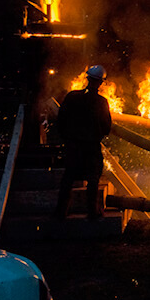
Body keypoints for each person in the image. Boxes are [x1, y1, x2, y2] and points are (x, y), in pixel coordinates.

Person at [55, 65, 112, 220]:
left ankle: (61, 212)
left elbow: (61, 120)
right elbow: (107, 127)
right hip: (91, 146)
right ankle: (92, 212)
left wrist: (67, 138)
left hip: (73, 146)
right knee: (93, 179)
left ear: (87, 79)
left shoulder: (72, 97)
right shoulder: (101, 102)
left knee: (68, 178)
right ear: (100, 83)